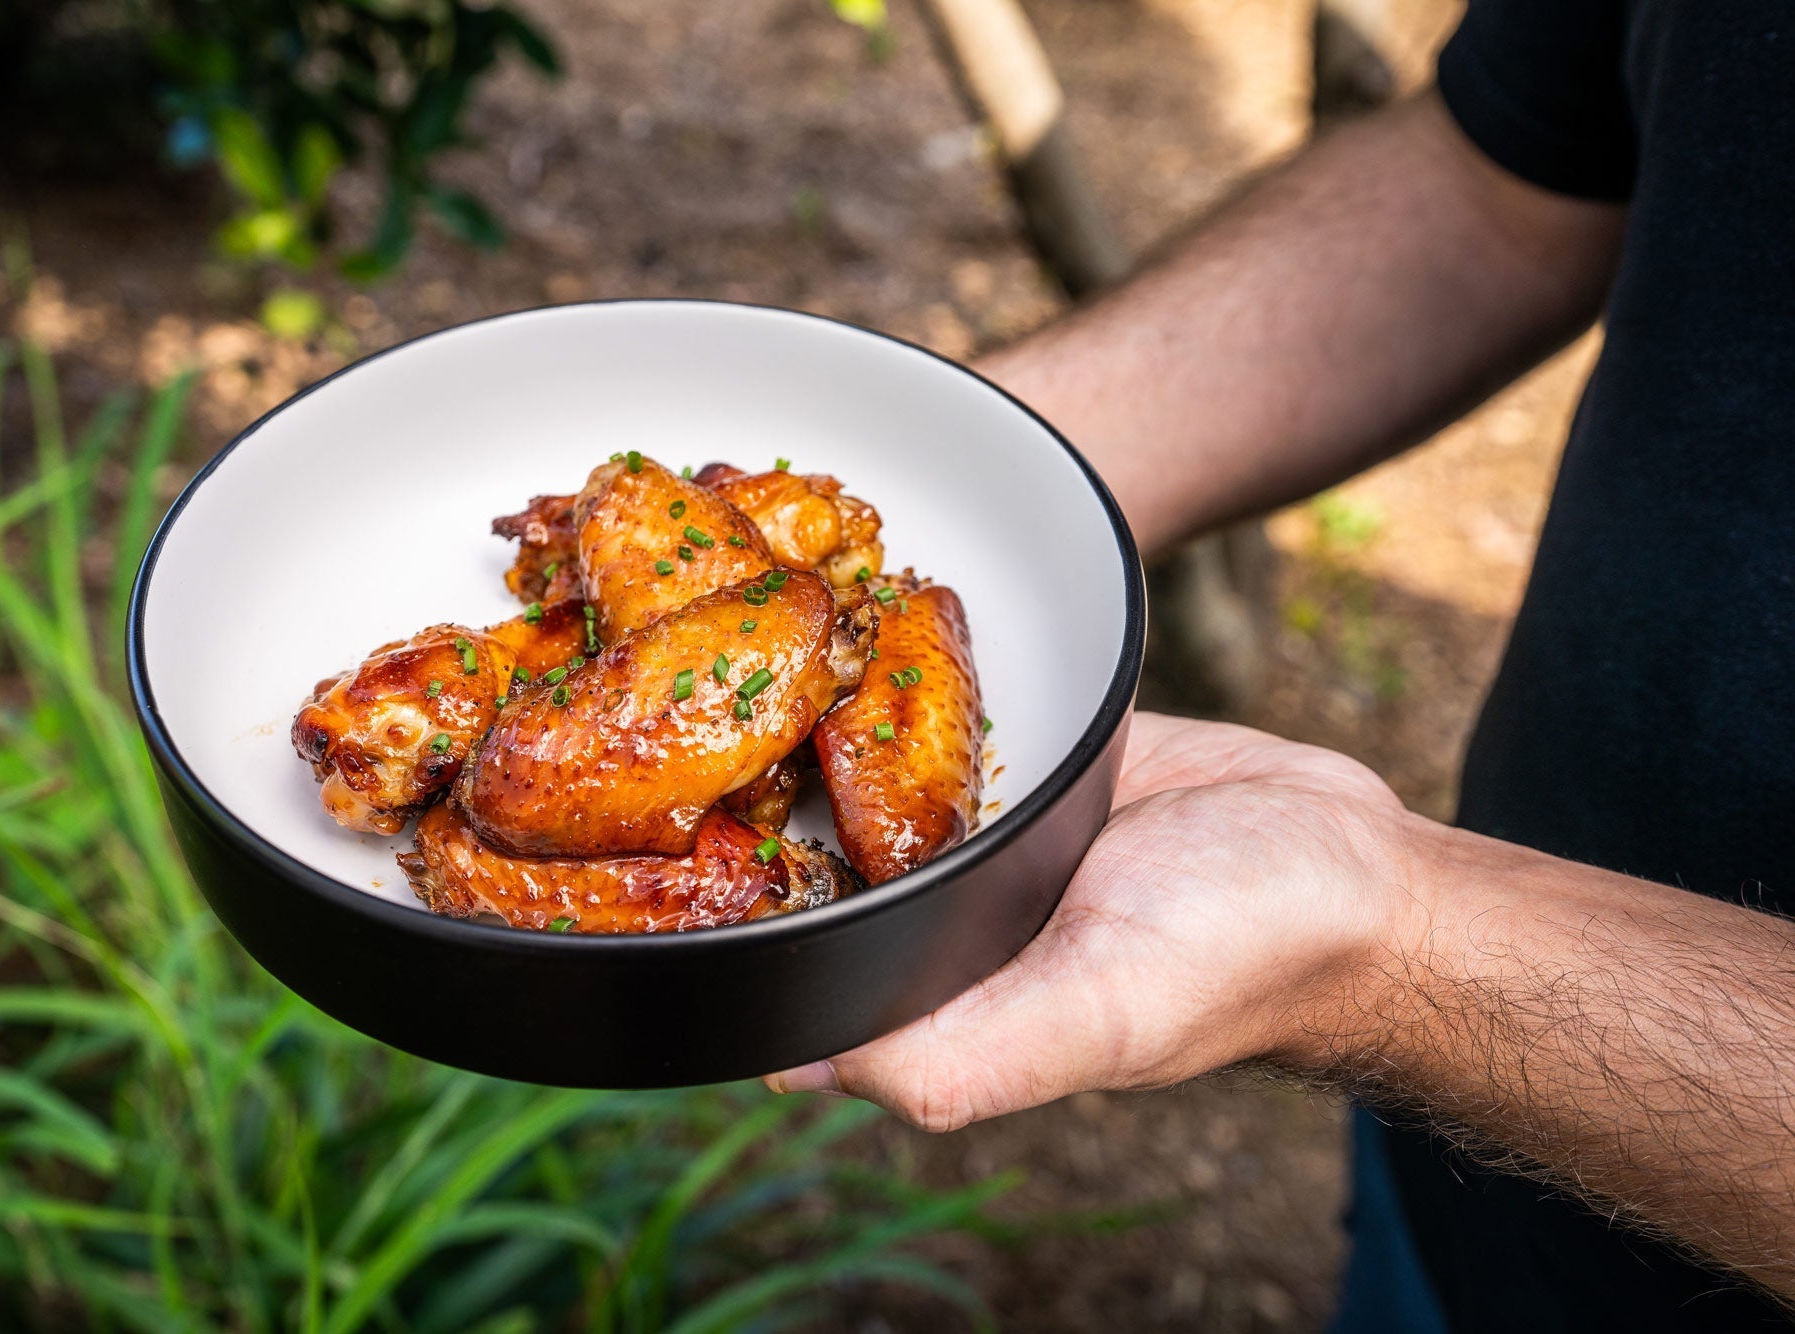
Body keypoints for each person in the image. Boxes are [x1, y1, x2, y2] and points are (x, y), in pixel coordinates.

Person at [767, 3, 1795, 1329]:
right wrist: (978, 473)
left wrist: (1406, 944)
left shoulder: (1401, 940)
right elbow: (1506, 184)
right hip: (1468, 1173)